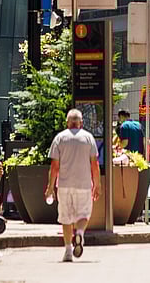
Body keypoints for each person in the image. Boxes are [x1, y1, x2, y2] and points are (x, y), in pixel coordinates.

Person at [45, 109, 101, 262]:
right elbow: (94, 164)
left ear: (67, 122)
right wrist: (97, 184)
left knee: (66, 218)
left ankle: (68, 251)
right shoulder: (88, 138)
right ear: (81, 122)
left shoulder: (60, 138)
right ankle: (80, 233)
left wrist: (50, 187)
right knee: (84, 215)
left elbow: (54, 166)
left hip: (64, 184)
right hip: (84, 184)